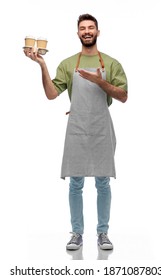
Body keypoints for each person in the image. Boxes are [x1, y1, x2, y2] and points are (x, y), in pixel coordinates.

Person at [24, 14, 128, 251]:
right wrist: (42, 65)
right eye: (83, 28)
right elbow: (51, 94)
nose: (87, 31)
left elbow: (123, 96)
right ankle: (77, 234)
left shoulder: (111, 64)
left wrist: (99, 82)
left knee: (103, 182)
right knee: (75, 183)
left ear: (98, 32)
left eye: (91, 28)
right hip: (78, 128)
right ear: (78, 33)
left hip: (101, 128)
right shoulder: (68, 63)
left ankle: (103, 233)